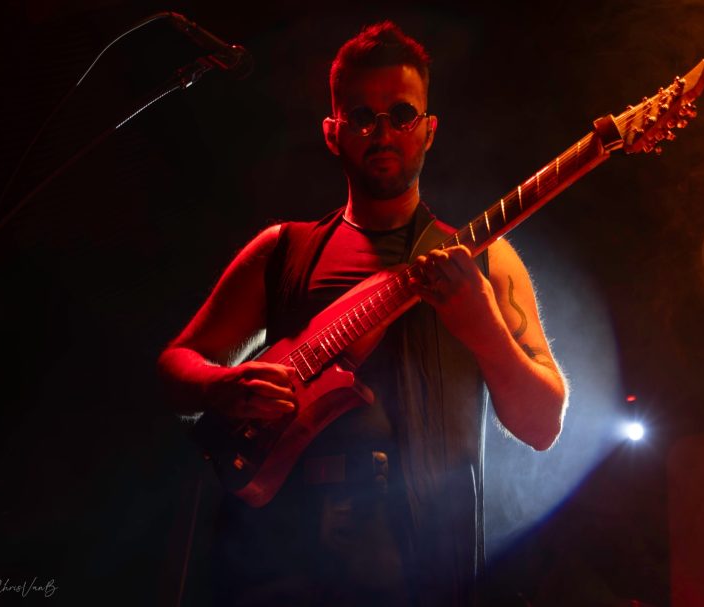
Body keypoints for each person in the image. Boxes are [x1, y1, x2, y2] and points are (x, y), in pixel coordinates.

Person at [158, 21, 566, 607]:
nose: (383, 132)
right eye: (362, 116)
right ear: (333, 132)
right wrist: (223, 386)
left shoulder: (487, 261)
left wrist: (485, 331)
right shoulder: (282, 250)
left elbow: (543, 425)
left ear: (428, 131)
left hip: (428, 568)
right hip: (280, 564)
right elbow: (175, 365)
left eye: (401, 115)